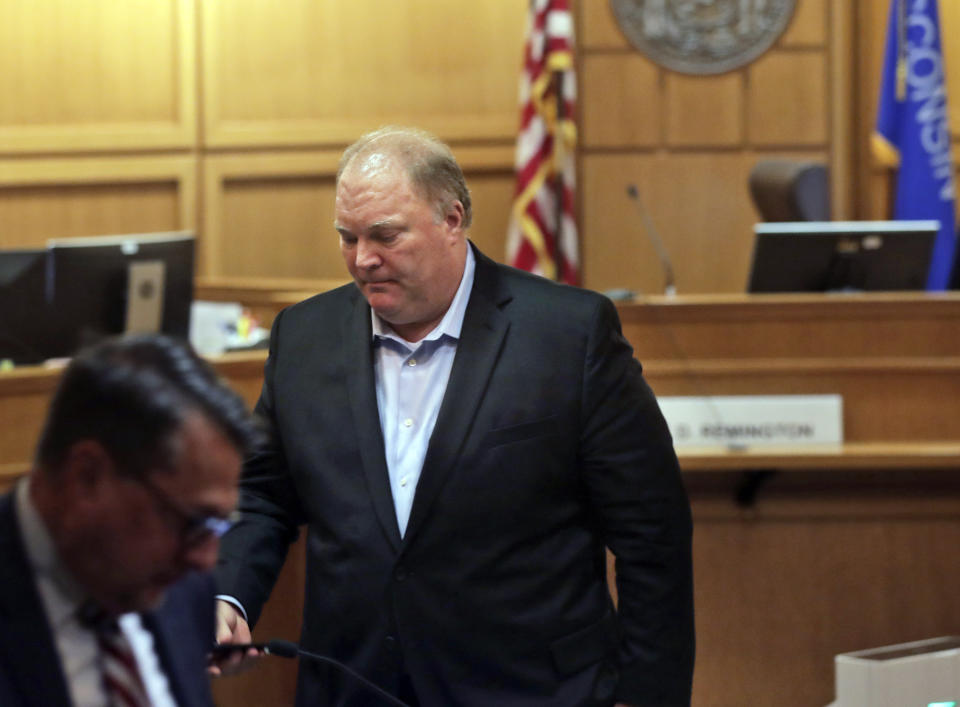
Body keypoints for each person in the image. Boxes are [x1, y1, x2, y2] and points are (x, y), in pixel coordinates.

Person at [214, 127, 695, 706]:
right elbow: (263, 494)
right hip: (354, 687)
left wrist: (647, 697)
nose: (363, 259)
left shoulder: (569, 337)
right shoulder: (303, 337)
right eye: (348, 237)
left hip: (532, 691)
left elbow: (652, 538)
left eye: (386, 235)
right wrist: (228, 597)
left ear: (452, 219)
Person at [0, 334, 259, 707]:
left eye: (216, 526)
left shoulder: (181, 585)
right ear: (87, 477)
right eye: (192, 522)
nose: (205, 560)